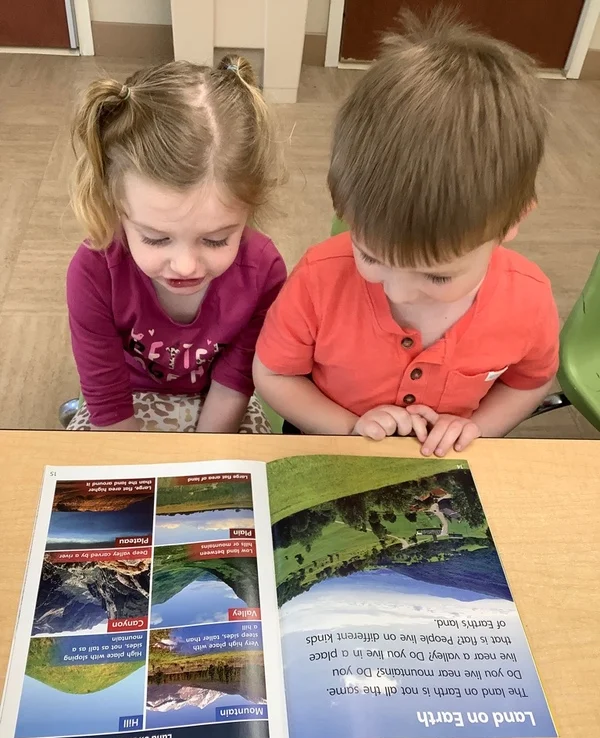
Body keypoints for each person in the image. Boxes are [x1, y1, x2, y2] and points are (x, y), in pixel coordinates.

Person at [254, 12, 559, 456]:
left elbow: (528, 382)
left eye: (437, 275)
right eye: (370, 256)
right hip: (329, 440)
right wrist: (350, 427)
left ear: (512, 221)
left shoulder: (527, 301)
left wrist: (476, 428)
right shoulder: (319, 278)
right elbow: (274, 374)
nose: (396, 291)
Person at [67, 56, 286, 433]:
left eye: (216, 239)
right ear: (114, 207)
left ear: (249, 211)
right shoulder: (93, 271)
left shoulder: (264, 271)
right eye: (155, 238)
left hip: (217, 402)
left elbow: (234, 382)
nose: (185, 266)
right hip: (125, 397)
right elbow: (107, 399)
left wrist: (203, 457)